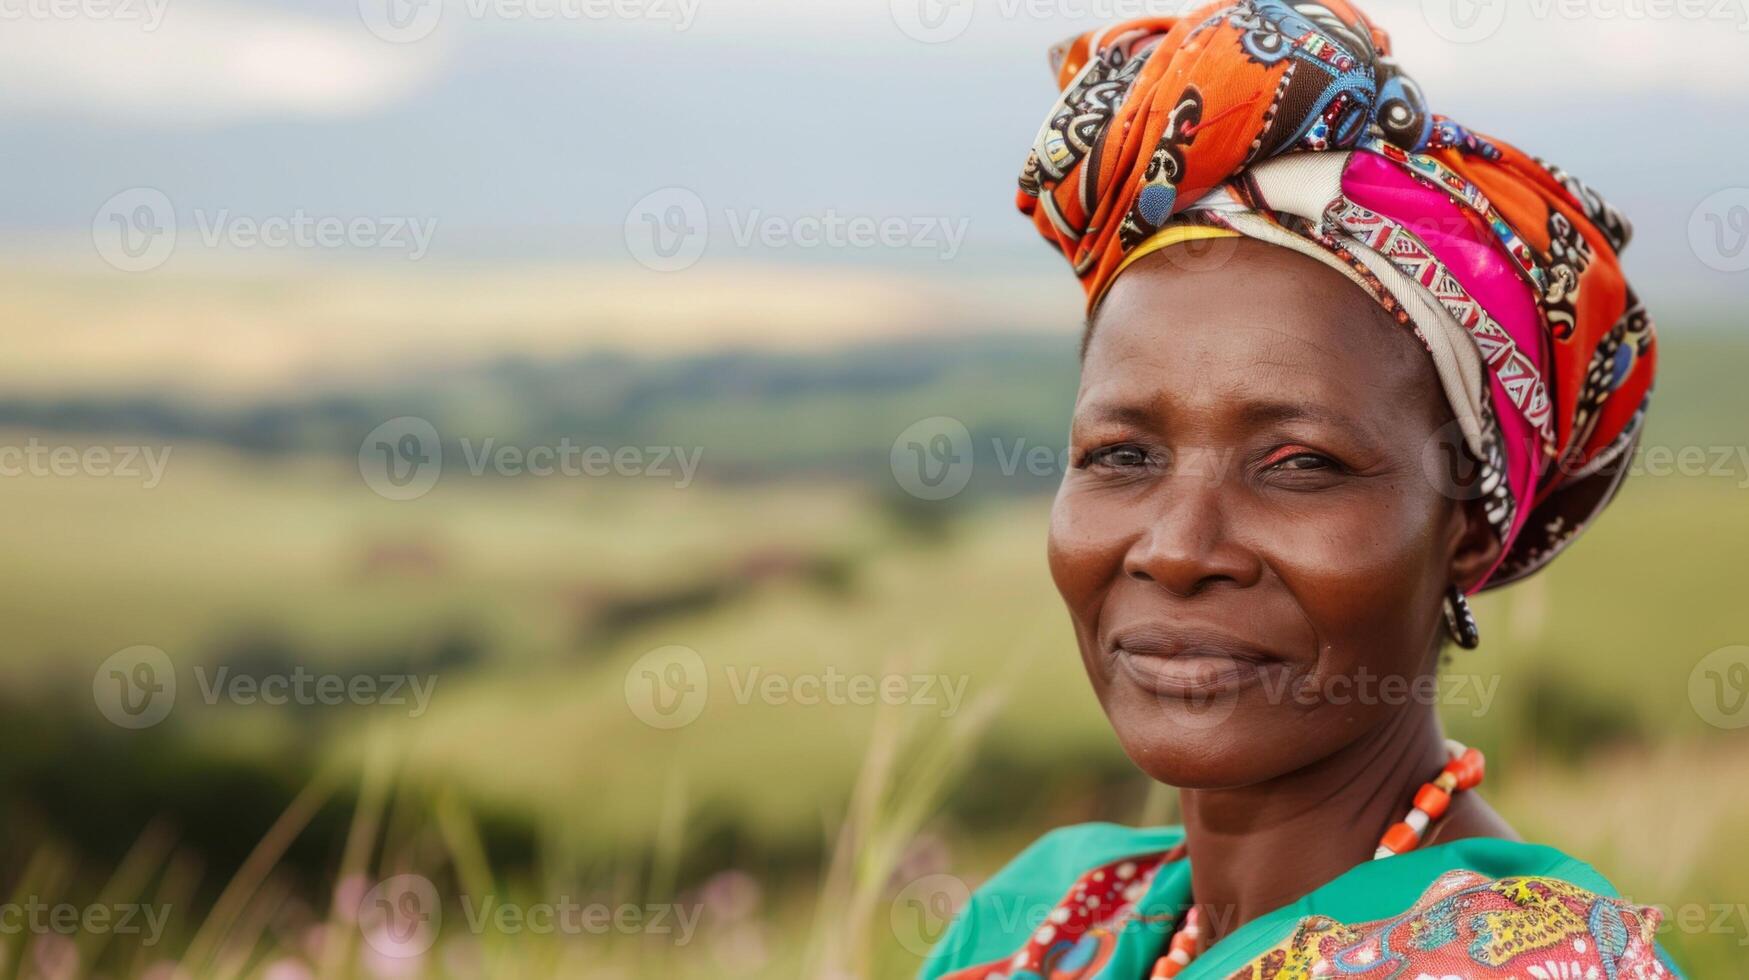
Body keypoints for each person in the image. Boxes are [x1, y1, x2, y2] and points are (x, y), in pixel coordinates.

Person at [922, 2, 1678, 976]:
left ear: (1469, 524)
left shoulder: (1521, 963)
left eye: (1301, 463)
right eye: (1122, 455)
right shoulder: (1045, 918)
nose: (1179, 548)